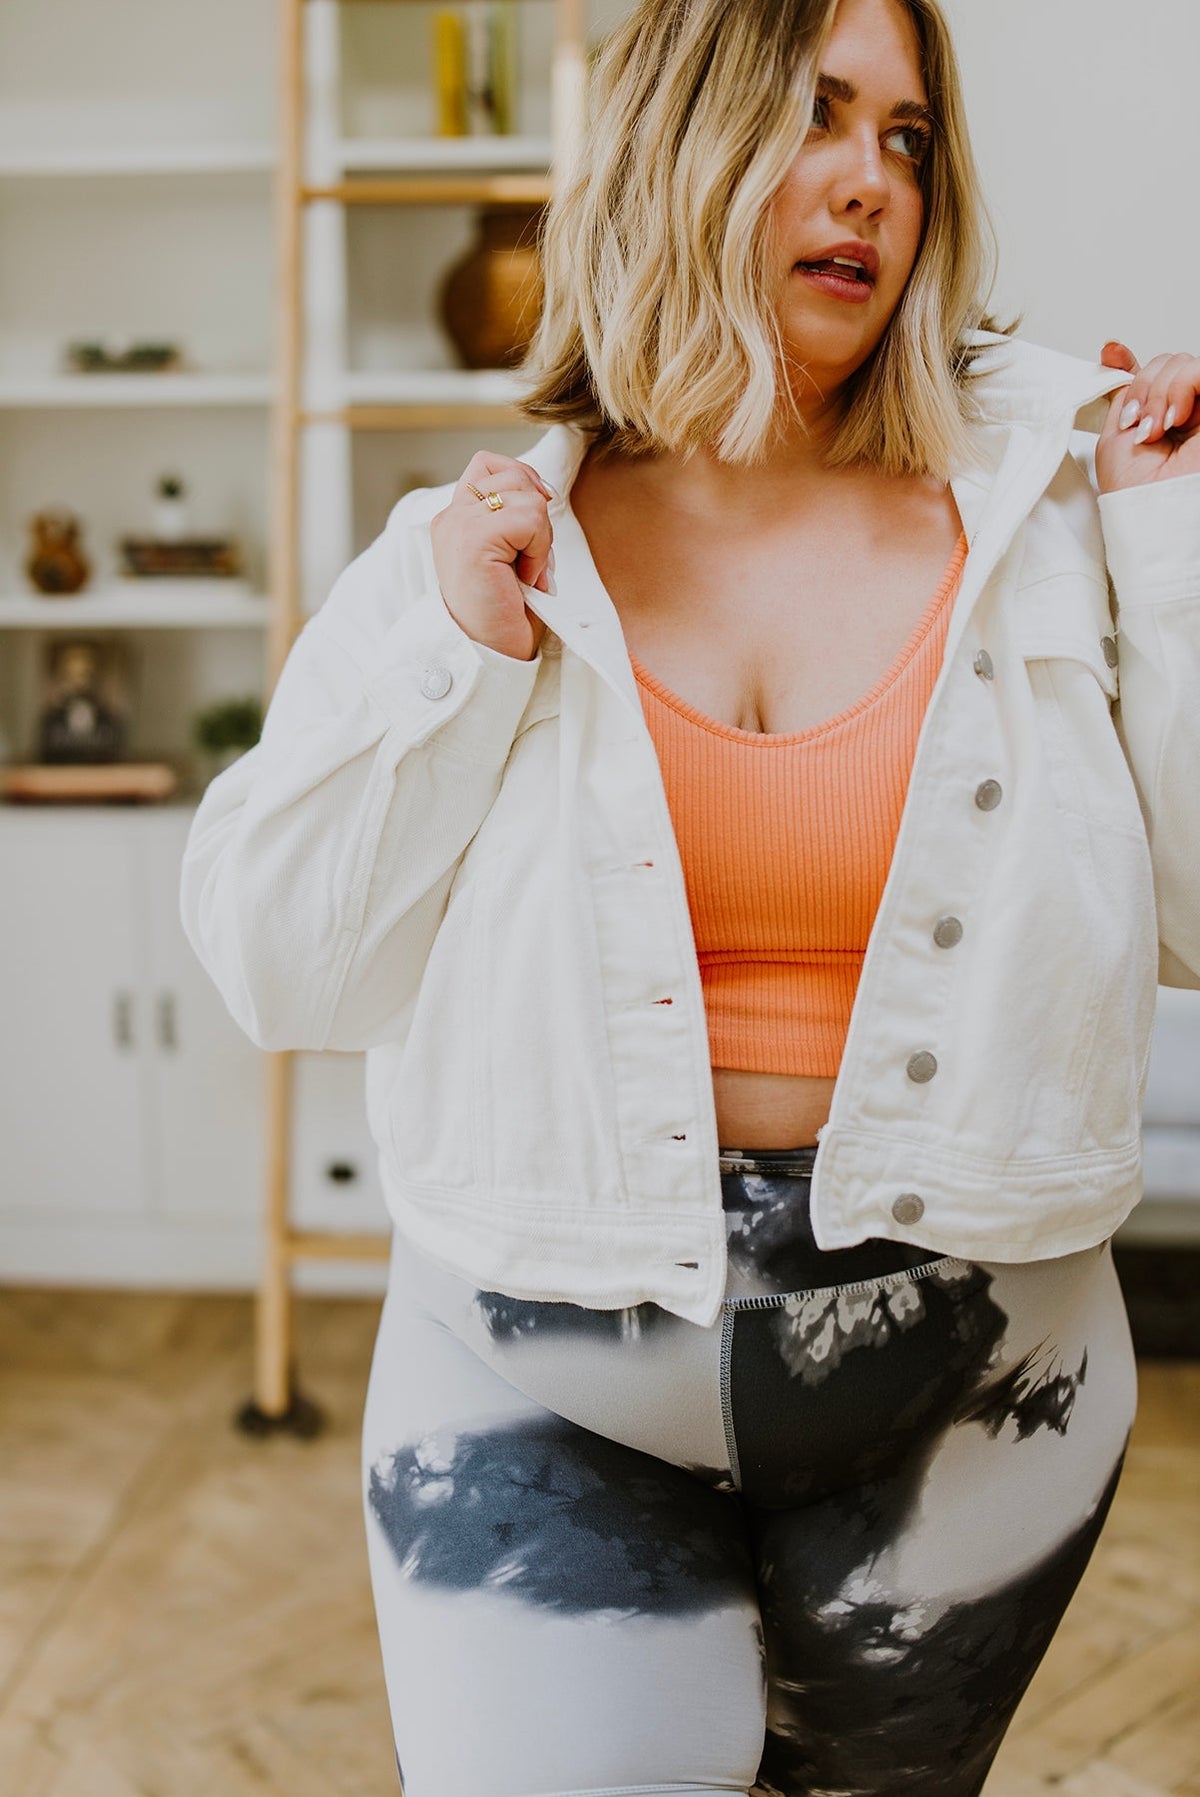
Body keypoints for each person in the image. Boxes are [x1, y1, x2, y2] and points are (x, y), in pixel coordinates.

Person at [179, 0, 1200, 1790]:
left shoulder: (1061, 513)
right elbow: (281, 963)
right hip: (540, 1397)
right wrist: (450, 648)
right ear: (679, 134)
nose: (870, 184)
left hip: (975, 1421)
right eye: (814, 113)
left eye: (904, 137)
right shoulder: (492, 540)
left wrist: (1176, 551)